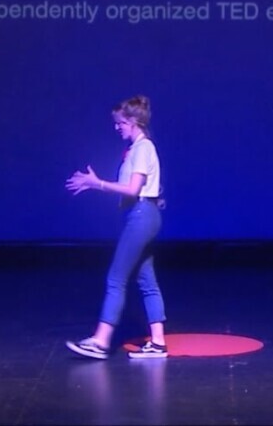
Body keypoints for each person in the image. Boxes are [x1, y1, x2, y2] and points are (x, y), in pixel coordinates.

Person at [65, 95, 168, 359]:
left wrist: (97, 183)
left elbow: (133, 189)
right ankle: (158, 343)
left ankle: (101, 341)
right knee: (146, 280)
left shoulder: (143, 148)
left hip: (141, 216)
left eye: (121, 123)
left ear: (134, 122)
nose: (117, 127)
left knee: (115, 278)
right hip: (144, 214)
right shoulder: (139, 149)